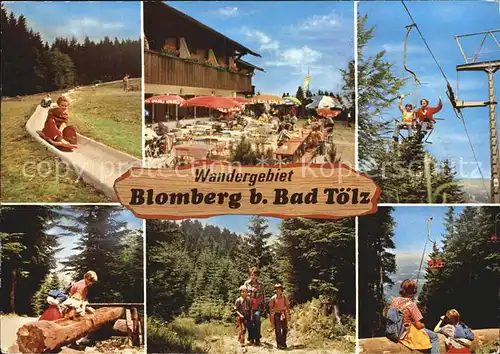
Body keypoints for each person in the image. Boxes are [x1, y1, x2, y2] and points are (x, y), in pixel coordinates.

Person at [387, 279, 439, 354]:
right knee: (434, 337)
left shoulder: (394, 300)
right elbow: (418, 325)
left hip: (392, 329)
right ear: (414, 292)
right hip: (404, 332)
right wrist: (423, 325)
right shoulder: (412, 305)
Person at [244, 267, 266, 345]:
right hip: (249, 305)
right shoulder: (246, 283)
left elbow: (263, 295)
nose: (253, 276)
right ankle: (250, 337)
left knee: (257, 318)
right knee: (249, 321)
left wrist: (264, 305)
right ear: (250, 275)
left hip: (258, 305)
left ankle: (257, 338)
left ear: (257, 275)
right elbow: (244, 293)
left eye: (255, 275)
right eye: (252, 275)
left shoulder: (261, 284)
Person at [269, 284, 291, 350]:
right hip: (276, 314)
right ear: (275, 290)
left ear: (281, 290)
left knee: (285, 328)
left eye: (279, 289)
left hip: (283, 313)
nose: (278, 290)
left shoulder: (284, 297)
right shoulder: (273, 298)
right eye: (277, 289)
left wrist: (289, 314)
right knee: (278, 329)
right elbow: (270, 308)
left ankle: (283, 342)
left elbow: (287, 306)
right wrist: (271, 317)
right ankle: (279, 344)